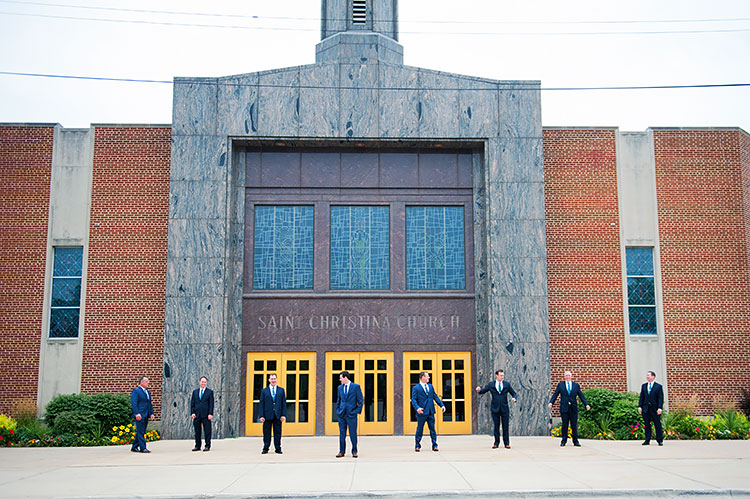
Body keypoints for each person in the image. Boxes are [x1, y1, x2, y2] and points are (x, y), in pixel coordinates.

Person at [476, 369, 518, 449]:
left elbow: (514, 393)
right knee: (496, 426)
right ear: (497, 375)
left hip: (504, 408)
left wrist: (514, 398)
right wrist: (479, 390)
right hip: (495, 408)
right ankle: (496, 442)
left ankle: (506, 443)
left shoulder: (506, 385)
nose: (502, 377)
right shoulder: (491, 384)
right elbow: (483, 391)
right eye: (501, 375)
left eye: (503, 375)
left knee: (505, 426)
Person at [548, 370, 590, 447]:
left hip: (573, 408)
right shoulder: (560, 385)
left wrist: (586, 404)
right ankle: (563, 440)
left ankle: (575, 441)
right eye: (566, 375)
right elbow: (555, 394)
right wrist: (551, 402)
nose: (568, 377)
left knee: (574, 425)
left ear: (571, 377)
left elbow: (581, 395)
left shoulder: (575, 385)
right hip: (564, 408)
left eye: (569, 376)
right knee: (565, 425)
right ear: (564, 377)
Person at [411, 371, 445, 452]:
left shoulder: (430, 386)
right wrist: (417, 408)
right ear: (422, 377)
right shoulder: (416, 388)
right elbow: (413, 399)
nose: (429, 378)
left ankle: (435, 445)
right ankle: (417, 445)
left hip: (430, 411)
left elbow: (435, 396)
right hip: (421, 412)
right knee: (419, 429)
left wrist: (442, 405)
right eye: (427, 376)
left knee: (432, 429)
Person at [336, 370, 363, 458]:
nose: (340, 380)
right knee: (342, 433)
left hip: (351, 414)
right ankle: (341, 451)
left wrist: (356, 411)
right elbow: (338, 401)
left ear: (345, 377)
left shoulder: (355, 387)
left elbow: (360, 401)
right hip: (342, 414)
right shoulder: (340, 388)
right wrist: (338, 410)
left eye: (341, 378)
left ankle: (354, 451)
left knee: (353, 434)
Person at [258, 373, 286, 454]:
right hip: (267, 415)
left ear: (276, 380)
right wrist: (261, 415)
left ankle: (278, 448)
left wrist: (283, 415)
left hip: (278, 415)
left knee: (277, 433)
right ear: (269, 380)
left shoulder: (281, 390)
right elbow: (261, 404)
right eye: (271, 379)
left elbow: (283, 403)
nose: (273, 380)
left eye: (274, 379)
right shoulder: (264, 391)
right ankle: (266, 448)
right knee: (266, 433)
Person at [638, 370, 664, 446]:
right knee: (647, 424)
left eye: (648, 375)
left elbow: (660, 398)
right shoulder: (644, 386)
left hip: (655, 409)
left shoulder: (658, 387)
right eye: (647, 375)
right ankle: (647, 439)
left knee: (657, 424)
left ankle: (659, 440)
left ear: (653, 377)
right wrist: (640, 406)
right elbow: (641, 397)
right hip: (646, 408)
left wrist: (660, 408)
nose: (647, 377)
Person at [130, 375, 155, 453]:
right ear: (141, 382)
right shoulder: (136, 391)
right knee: (140, 431)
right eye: (146, 381)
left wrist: (151, 413)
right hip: (140, 414)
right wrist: (137, 413)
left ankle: (134, 447)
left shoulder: (147, 392)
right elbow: (134, 403)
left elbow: (149, 404)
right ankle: (143, 448)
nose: (148, 383)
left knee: (142, 431)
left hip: (146, 414)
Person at [190, 375, 214, 452]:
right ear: (199, 382)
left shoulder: (209, 392)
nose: (203, 383)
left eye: (205, 382)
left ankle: (207, 445)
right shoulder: (195, 392)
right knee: (197, 431)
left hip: (206, 415)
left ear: (206, 383)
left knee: (207, 431)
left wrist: (210, 413)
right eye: (202, 382)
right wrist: (192, 412)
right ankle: (197, 445)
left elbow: (211, 404)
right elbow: (192, 403)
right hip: (197, 414)